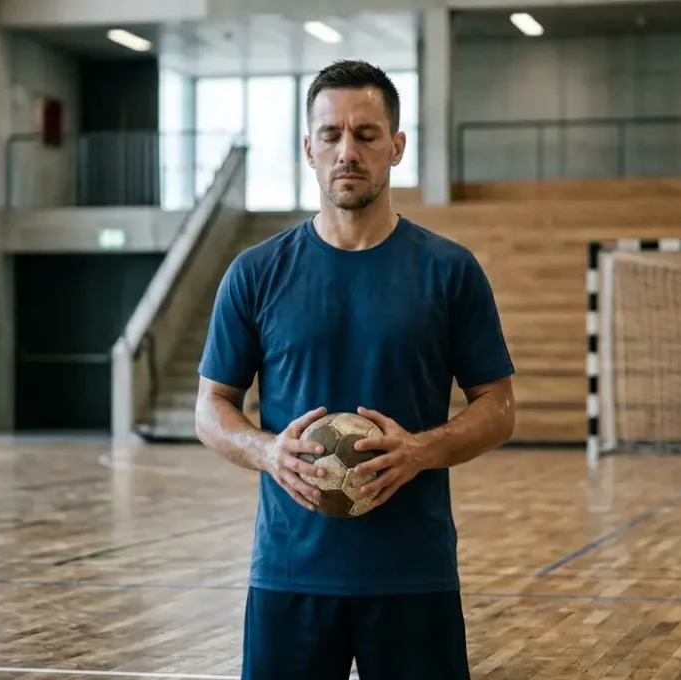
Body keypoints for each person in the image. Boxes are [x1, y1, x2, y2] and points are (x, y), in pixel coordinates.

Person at [194, 59, 517, 680]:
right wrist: (267, 452)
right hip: (290, 575)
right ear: (307, 148)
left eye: (367, 135)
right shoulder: (256, 273)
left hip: (412, 577)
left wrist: (421, 450)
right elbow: (211, 408)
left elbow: (498, 408)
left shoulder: (450, 272)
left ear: (397, 147)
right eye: (331, 135)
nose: (348, 151)